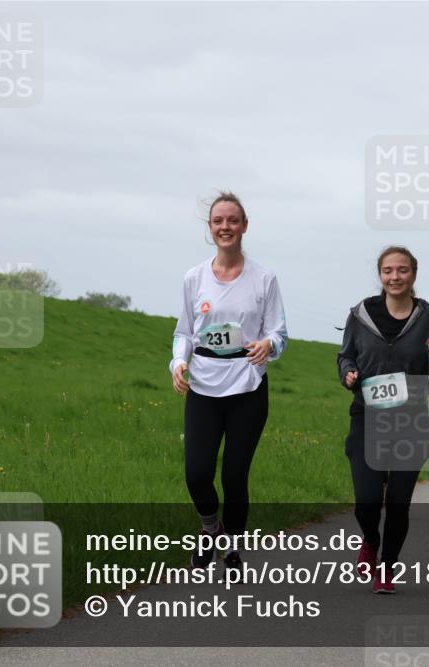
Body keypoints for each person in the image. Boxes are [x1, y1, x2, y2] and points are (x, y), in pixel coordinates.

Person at [170, 191, 288, 571]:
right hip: (203, 385)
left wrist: (268, 345)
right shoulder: (194, 277)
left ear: (244, 226)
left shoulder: (264, 278)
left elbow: (280, 333)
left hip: (248, 387)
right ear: (210, 228)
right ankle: (209, 529)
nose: (226, 227)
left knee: (235, 476)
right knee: (197, 473)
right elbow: (184, 332)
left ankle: (233, 546)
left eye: (232, 220)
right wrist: (178, 362)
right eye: (219, 221)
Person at [337, 246, 429, 594]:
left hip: (411, 421)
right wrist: (349, 374)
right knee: (367, 501)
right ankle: (370, 541)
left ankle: (387, 568)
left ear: (413, 275)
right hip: (367, 417)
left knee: (398, 503)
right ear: (380, 275)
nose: (395, 277)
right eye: (388, 271)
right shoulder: (361, 315)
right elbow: (345, 356)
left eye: (402, 270)